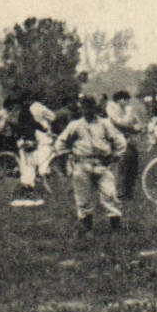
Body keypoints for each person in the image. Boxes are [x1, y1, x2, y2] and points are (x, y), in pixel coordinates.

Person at [51, 95, 127, 234]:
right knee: (83, 197)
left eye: (91, 107)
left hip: (102, 163)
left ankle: (116, 225)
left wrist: (114, 156)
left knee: (109, 194)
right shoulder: (75, 125)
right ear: (82, 108)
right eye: (85, 107)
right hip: (82, 163)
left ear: (96, 108)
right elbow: (60, 142)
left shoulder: (105, 123)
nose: (89, 110)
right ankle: (86, 226)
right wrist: (67, 154)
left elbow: (119, 141)